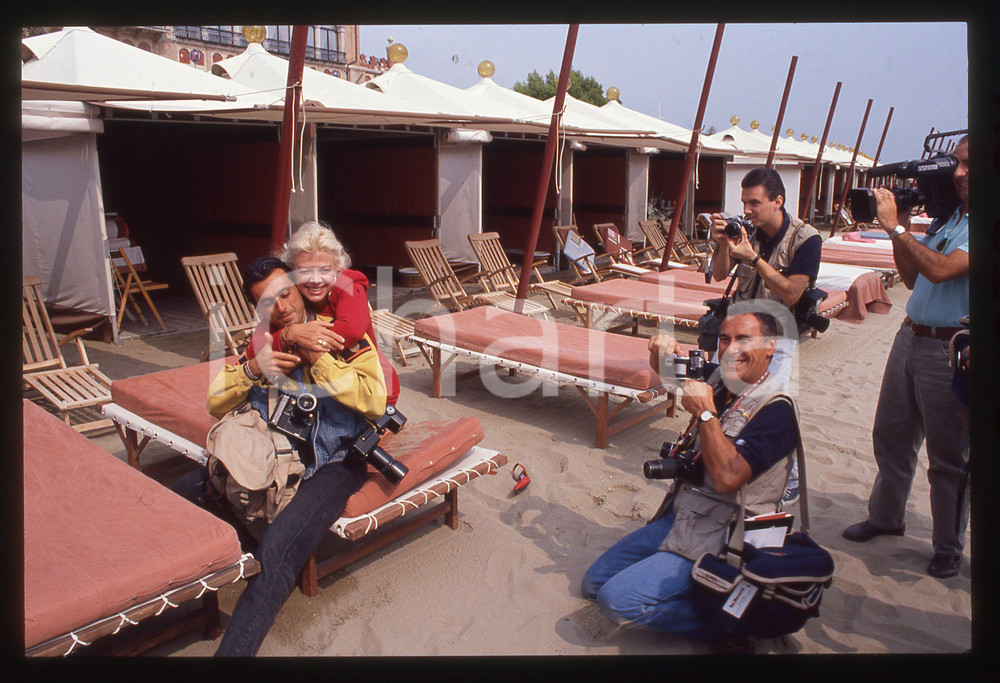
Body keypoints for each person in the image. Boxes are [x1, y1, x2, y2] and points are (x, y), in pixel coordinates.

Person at [581, 307, 799, 649]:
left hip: (726, 534)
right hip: (683, 514)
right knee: (593, 584)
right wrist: (659, 350)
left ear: (771, 347)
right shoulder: (719, 378)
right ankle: (697, 591)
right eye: (725, 339)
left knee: (617, 601)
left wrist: (707, 413)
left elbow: (728, 478)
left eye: (744, 339)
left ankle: (732, 625)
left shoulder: (777, 411)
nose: (731, 349)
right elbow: (665, 368)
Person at [210, 256, 388, 656]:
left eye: (284, 292)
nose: (281, 307)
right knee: (183, 490)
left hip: (335, 463)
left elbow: (375, 402)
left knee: (277, 554)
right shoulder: (264, 344)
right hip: (279, 457)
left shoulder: (341, 334)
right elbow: (214, 401)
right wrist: (254, 369)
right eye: (266, 302)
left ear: (298, 286)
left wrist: (317, 355)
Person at [842, 135, 969, 579]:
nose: (959, 172)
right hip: (911, 336)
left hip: (950, 346)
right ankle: (886, 517)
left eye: (971, 164)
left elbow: (941, 269)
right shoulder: (953, 216)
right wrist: (904, 225)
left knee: (949, 457)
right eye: (957, 164)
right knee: (892, 435)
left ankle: (948, 546)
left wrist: (896, 226)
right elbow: (913, 277)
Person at [708, 167, 822, 504]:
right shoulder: (745, 230)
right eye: (744, 203)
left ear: (778, 201)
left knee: (769, 406)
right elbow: (717, 275)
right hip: (738, 329)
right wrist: (722, 245)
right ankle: (729, 463)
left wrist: (753, 258)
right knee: (724, 398)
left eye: (754, 203)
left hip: (776, 336)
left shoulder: (806, 239)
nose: (747, 211)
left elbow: (791, 294)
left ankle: (790, 477)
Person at [245, 221, 400, 406]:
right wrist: (289, 334)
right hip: (327, 391)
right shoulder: (291, 298)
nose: (316, 280)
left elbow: (351, 330)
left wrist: (297, 352)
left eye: (325, 270)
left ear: (337, 269)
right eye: (305, 271)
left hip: (373, 389)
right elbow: (254, 349)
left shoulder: (348, 285)